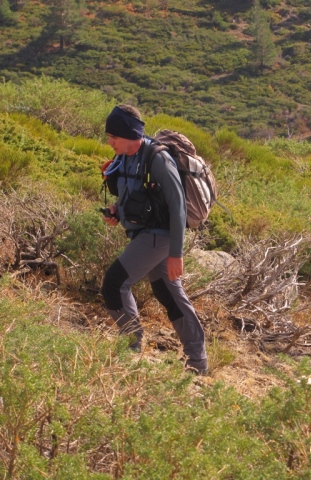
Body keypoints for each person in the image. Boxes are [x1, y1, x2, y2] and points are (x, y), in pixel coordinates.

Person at [100, 104, 208, 375]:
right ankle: (197, 362)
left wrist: (176, 253)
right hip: (146, 233)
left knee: (114, 284)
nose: (110, 141)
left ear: (130, 134)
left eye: (114, 136)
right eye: (109, 136)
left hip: (160, 236)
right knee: (169, 293)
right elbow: (131, 194)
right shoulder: (124, 156)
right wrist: (116, 211)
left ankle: (131, 347)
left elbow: (177, 206)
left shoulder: (158, 158)